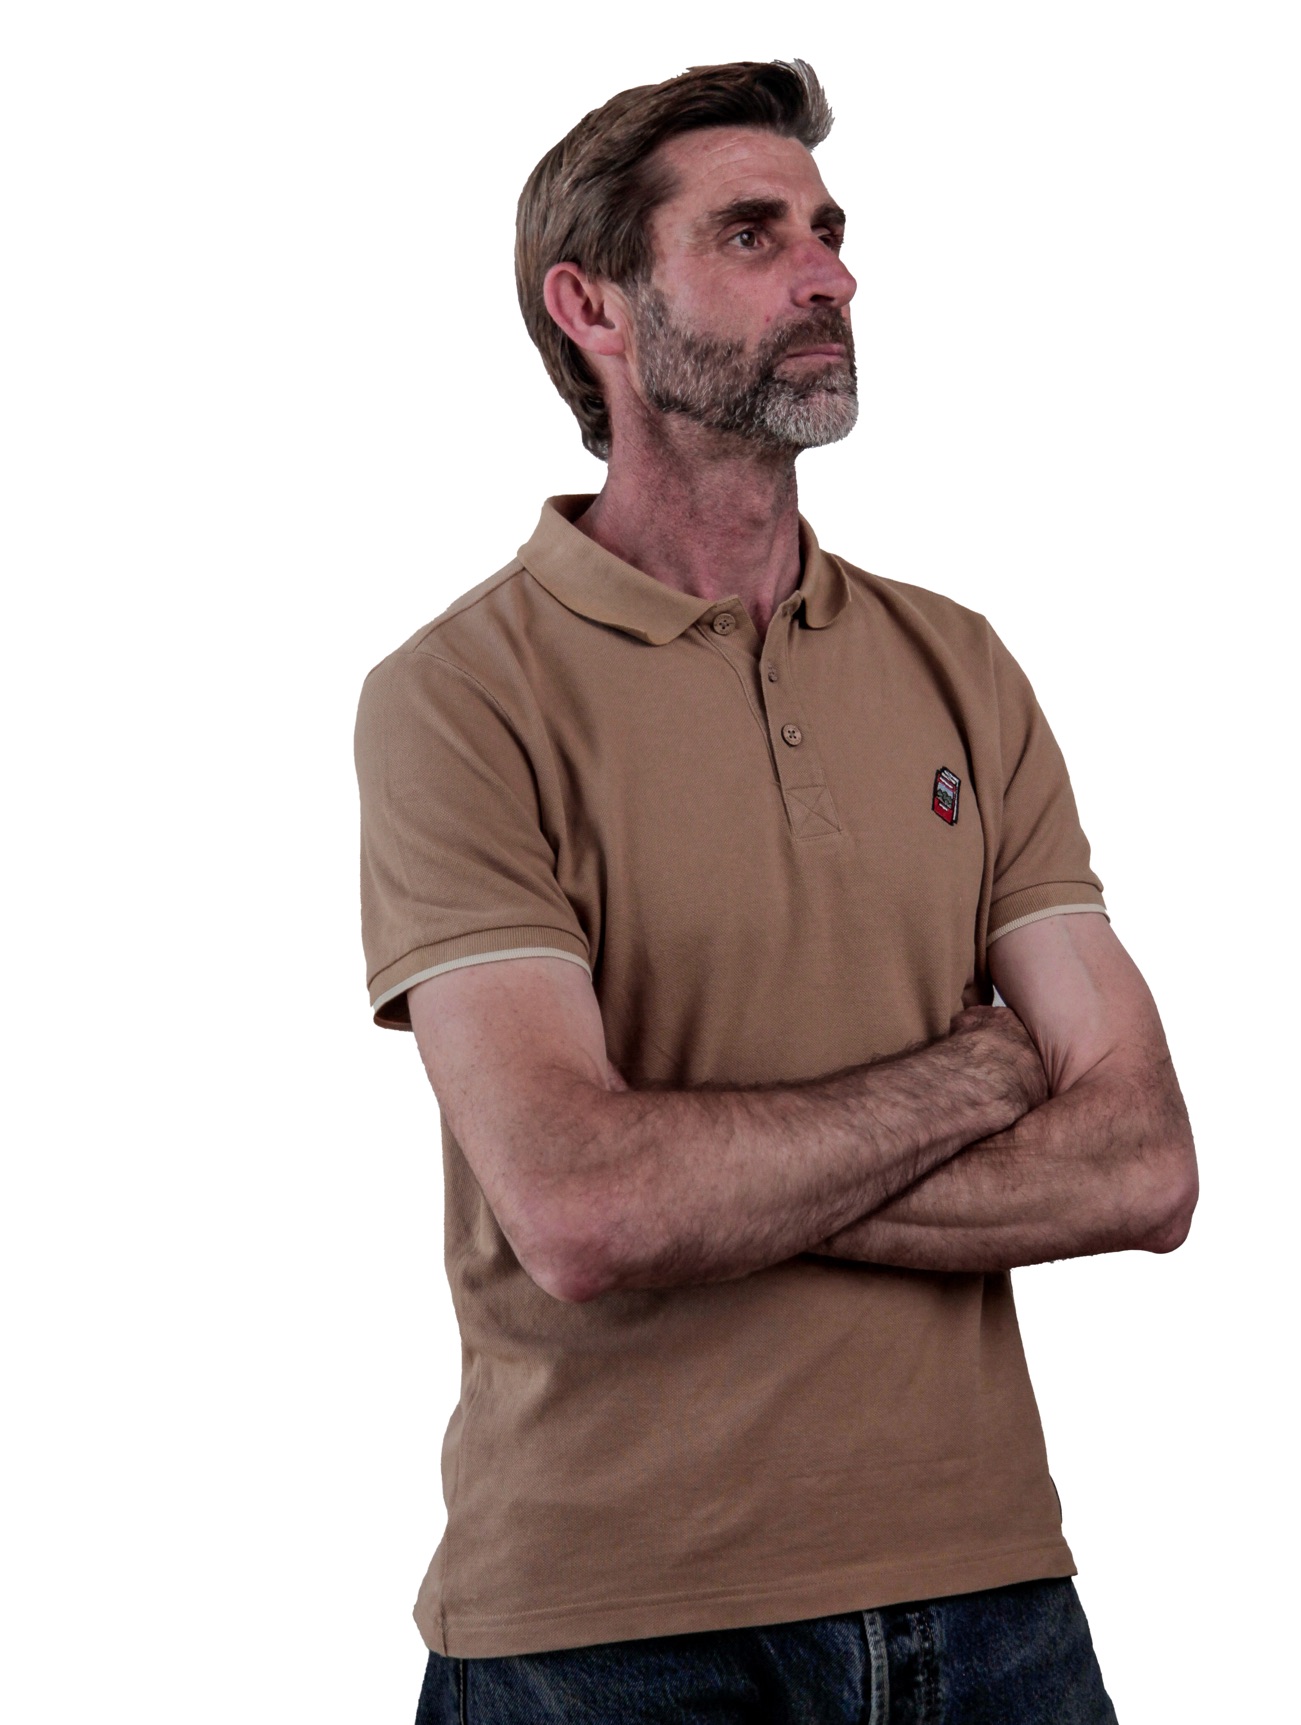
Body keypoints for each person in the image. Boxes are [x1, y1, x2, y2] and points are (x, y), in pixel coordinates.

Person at [355, 58, 1197, 1725]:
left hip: (993, 1599)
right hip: (606, 1628)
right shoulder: (460, 694)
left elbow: (1147, 1161)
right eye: (753, 235)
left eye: (828, 231)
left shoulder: (960, 664)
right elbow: (583, 1212)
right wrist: (968, 1076)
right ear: (592, 307)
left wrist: (705, 1178)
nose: (829, 276)